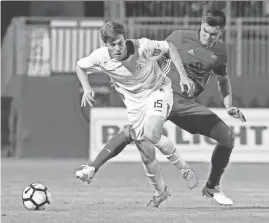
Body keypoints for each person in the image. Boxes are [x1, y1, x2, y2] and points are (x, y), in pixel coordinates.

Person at [75, 9, 247, 206]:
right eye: (205, 31)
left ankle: (211, 187)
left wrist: (229, 105)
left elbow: (222, 79)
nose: (208, 37)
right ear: (201, 25)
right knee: (137, 136)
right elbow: (158, 55)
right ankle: (94, 168)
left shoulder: (219, 52)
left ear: (221, 32)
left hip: (186, 105)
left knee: (227, 138)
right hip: (162, 93)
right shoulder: (180, 37)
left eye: (214, 34)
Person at [75, 21, 199, 208]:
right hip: (134, 103)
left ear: (125, 40)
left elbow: (170, 47)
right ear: (105, 45)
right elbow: (80, 67)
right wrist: (86, 88)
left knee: (152, 133)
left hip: (158, 91)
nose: (117, 48)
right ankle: (160, 192)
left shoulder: (143, 47)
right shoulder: (100, 57)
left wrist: (183, 76)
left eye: (120, 43)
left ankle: (185, 169)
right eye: (112, 44)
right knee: (147, 155)